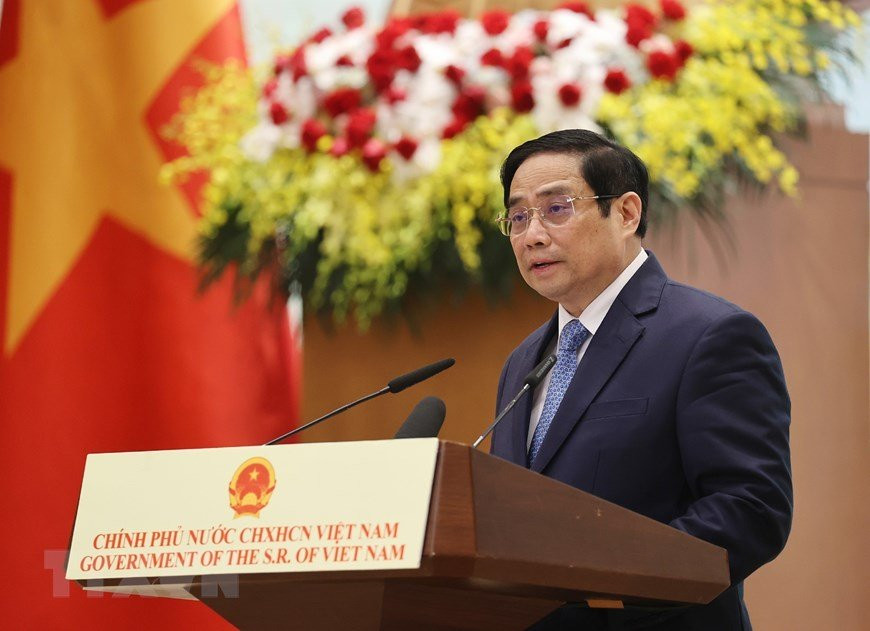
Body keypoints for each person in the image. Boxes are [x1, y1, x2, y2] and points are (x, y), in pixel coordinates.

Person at [490, 129, 792, 630]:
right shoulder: (523, 361)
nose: (532, 235)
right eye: (518, 217)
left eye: (556, 208)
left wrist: (602, 587)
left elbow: (750, 510)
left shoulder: (710, 335)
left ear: (626, 213)